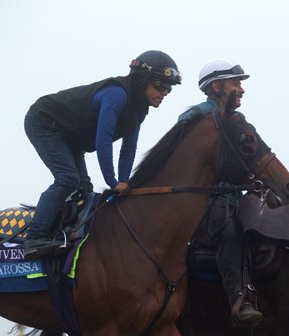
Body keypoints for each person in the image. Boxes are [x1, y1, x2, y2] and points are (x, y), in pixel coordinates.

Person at [23, 50, 181, 260]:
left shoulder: (139, 110)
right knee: (68, 178)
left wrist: (124, 181)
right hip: (44, 122)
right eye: (160, 85)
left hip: (71, 136)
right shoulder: (117, 94)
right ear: (143, 79)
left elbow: (128, 148)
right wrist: (112, 182)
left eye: (169, 88)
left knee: (84, 189)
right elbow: (103, 140)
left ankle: (62, 233)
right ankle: (35, 237)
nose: (165, 93)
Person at [178, 58, 263, 328]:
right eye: (236, 82)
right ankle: (240, 300)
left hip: (234, 197)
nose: (242, 89)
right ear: (216, 87)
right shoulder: (197, 116)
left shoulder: (240, 121)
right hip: (206, 200)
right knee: (227, 231)